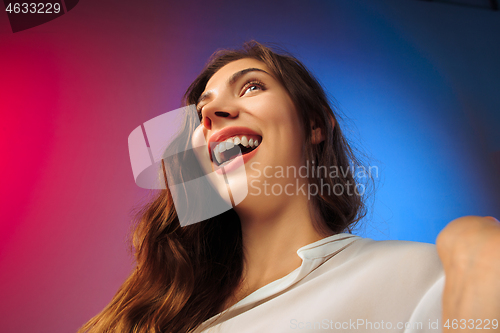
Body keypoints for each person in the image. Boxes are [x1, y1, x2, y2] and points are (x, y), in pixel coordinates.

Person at [79, 41, 500, 333]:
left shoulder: (423, 276)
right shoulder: (161, 303)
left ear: (314, 124)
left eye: (251, 86)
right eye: (201, 110)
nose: (211, 115)